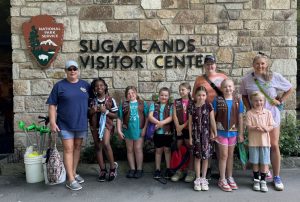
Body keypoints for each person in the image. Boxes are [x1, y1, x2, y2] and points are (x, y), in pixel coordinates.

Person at [240, 53, 293, 191]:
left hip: (271, 116)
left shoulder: (274, 76)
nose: (260, 66)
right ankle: (260, 174)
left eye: (263, 63)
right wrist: (249, 109)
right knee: (257, 145)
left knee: (273, 145)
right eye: (257, 63)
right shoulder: (247, 79)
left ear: (267, 64)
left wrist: (280, 100)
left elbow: (290, 88)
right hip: (256, 117)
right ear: (253, 65)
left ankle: (276, 176)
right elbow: (244, 96)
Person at [47, 60, 90, 191]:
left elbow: (94, 101)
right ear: (65, 71)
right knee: (68, 149)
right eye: (69, 69)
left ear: (78, 70)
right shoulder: (59, 86)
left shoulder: (85, 85)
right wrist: (53, 122)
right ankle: (70, 179)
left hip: (81, 123)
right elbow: (52, 105)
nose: (72, 71)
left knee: (77, 148)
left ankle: (73, 172)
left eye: (74, 68)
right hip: (64, 124)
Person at [192, 55, 228, 179]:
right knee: (206, 141)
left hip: (221, 114)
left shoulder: (223, 77)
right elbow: (194, 96)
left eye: (212, 63)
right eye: (207, 64)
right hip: (205, 114)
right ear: (204, 66)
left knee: (219, 142)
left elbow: (228, 93)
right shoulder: (199, 79)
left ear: (216, 64)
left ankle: (221, 171)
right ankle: (206, 170)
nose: (210, 66)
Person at [213, 79, 244, 192]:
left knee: (230, 156)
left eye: (230, 86)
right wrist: (213, 131)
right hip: (221, 132)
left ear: (234, 88)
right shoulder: (217, 100)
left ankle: (229, 177)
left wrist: (240, 133)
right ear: (221, 88)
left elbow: (240, 117)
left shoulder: (238, 100)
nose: (228, 89)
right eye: (225, 87)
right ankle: (222, 179)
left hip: (233, 133)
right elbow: (213, 116)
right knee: (223, 155)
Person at [89, 78, 118, 182]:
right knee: (98, 147)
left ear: (105, 87)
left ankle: (113, 168)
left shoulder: (110, 100)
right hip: (94, 126)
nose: (99, 87)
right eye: (96, 86)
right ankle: (102, 170)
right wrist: (92, 111)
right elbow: (87, 115)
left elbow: (116, 115)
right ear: (94, 88)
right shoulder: (92, 101)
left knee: (106, 143)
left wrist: (105, 112)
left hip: (106, 125)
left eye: (101, 85)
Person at [189, 86, 217, 191]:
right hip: (196, 135)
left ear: (206, 96)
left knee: (205, 158)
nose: (201, 97)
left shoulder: (208, 106)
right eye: (199, 95)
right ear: (195, 96)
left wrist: (215, 132)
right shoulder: (192, 106)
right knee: (197, 157)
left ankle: (204, 178)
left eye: (203, 95)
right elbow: (190, 123)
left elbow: (212, 120)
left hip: (206, 136)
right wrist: (190, 137)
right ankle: (197, 179)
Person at [245, 91, 275, 192]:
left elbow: (271, 126)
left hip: (265, 143)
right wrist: (255, 128)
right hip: (254, 143)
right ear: (252, 102)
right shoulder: (249, 113)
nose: (259, 102)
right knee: (255, 162)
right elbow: (248, 126)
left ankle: (263, 181)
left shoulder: (268, 113)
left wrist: (266, 128)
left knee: (264, 162)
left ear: (264, 101)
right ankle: (256, 180)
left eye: (261, 100)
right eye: (256, 101)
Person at [117, 86, 148, 179]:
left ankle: (139, 169)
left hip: (139, 130)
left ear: (136, 93)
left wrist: (144, 129)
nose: (131, 95)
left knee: (138, 149)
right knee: (130, 149)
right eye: (129, 93)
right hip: (128, 130)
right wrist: (119, 130)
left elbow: (147, 117)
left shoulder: (142, 103)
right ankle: (132, 168)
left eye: (133, 92)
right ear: (126, 95)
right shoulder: (124, 105)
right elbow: (119, 118)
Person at [171, 82, 195, 183]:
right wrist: (178, 127)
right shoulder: (177, 102)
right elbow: (174, 115)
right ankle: (179, 170)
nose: (181, 91)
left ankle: (191, 171)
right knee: (179, 148)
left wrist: (182, 126)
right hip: (178, 129)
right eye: (180, 90)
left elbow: (192, 117)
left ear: (189, 90)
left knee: (190, 149)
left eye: (183, 89)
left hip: (188, 129)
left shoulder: (193, 102)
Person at [148, 87, 173, 179]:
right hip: (157, 132)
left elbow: (171, 117)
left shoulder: (171, 106)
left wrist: (161, 123)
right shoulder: (154, 105)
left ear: (169, 96)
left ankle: (168, 169)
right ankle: (157, 169)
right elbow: (150, 116)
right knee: (158, 151)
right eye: (162, 95)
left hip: (167, 132)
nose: (164, 97)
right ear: (159, 96)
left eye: (166, 95)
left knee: (167, 150)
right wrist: (158, 123)